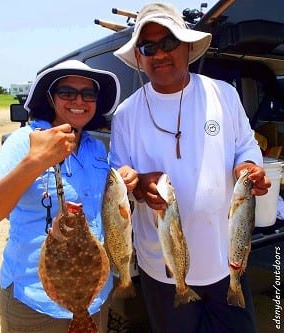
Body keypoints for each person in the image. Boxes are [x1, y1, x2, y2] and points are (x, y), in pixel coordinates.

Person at [109, 3, 271, 333]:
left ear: (187, 47)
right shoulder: (126, 113)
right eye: (148, 47)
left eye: (168, 43)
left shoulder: (222, 94)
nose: (160, 54)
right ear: (139, 57)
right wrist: (137, 184)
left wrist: (249, 166)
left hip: (225, 257)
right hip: (162, 264)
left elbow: (246, 145)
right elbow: (118, 177)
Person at [0, 59, 137, 333]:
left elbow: (105, 201)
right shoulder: (24, 141)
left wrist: (124, 179)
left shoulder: (96, 148)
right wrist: (34, 162)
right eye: (67, 92)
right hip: (36, 301)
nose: (79, 101)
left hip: (95, 296)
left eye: (89, 94)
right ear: (50, 98)